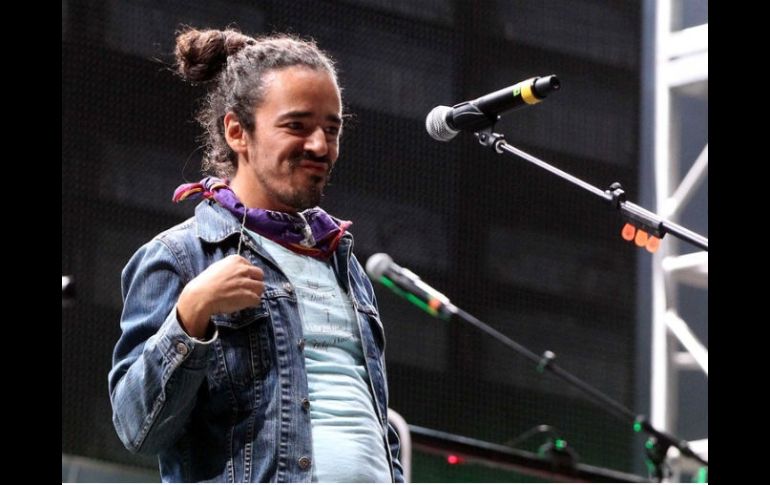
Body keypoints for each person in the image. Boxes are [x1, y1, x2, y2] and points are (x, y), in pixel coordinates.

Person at [108, 28, 403, 483]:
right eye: (297, 126)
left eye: (332, 129)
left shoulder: (342, 262)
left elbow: (370, 423)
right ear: (236, 132)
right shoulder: (182, 258)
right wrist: (190, 313)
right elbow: (137, 430)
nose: (320, 146)